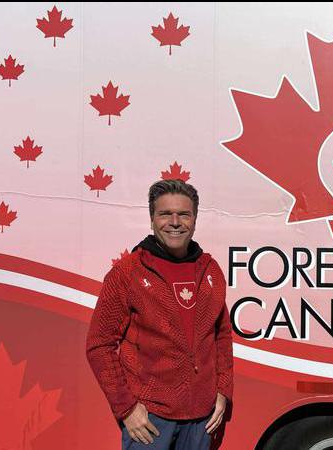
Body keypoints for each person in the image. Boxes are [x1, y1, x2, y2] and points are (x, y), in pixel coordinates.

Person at [86, 179, 233, 449]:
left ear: (195, 220)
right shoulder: (127, 273)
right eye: (165, 214)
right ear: (152, 219)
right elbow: (99, 345)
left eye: (184, 214)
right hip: (151, 418)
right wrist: (127, 409)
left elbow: (221, 335)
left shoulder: (210, 270)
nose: (175, 222)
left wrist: (223, 390)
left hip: (202, 418)